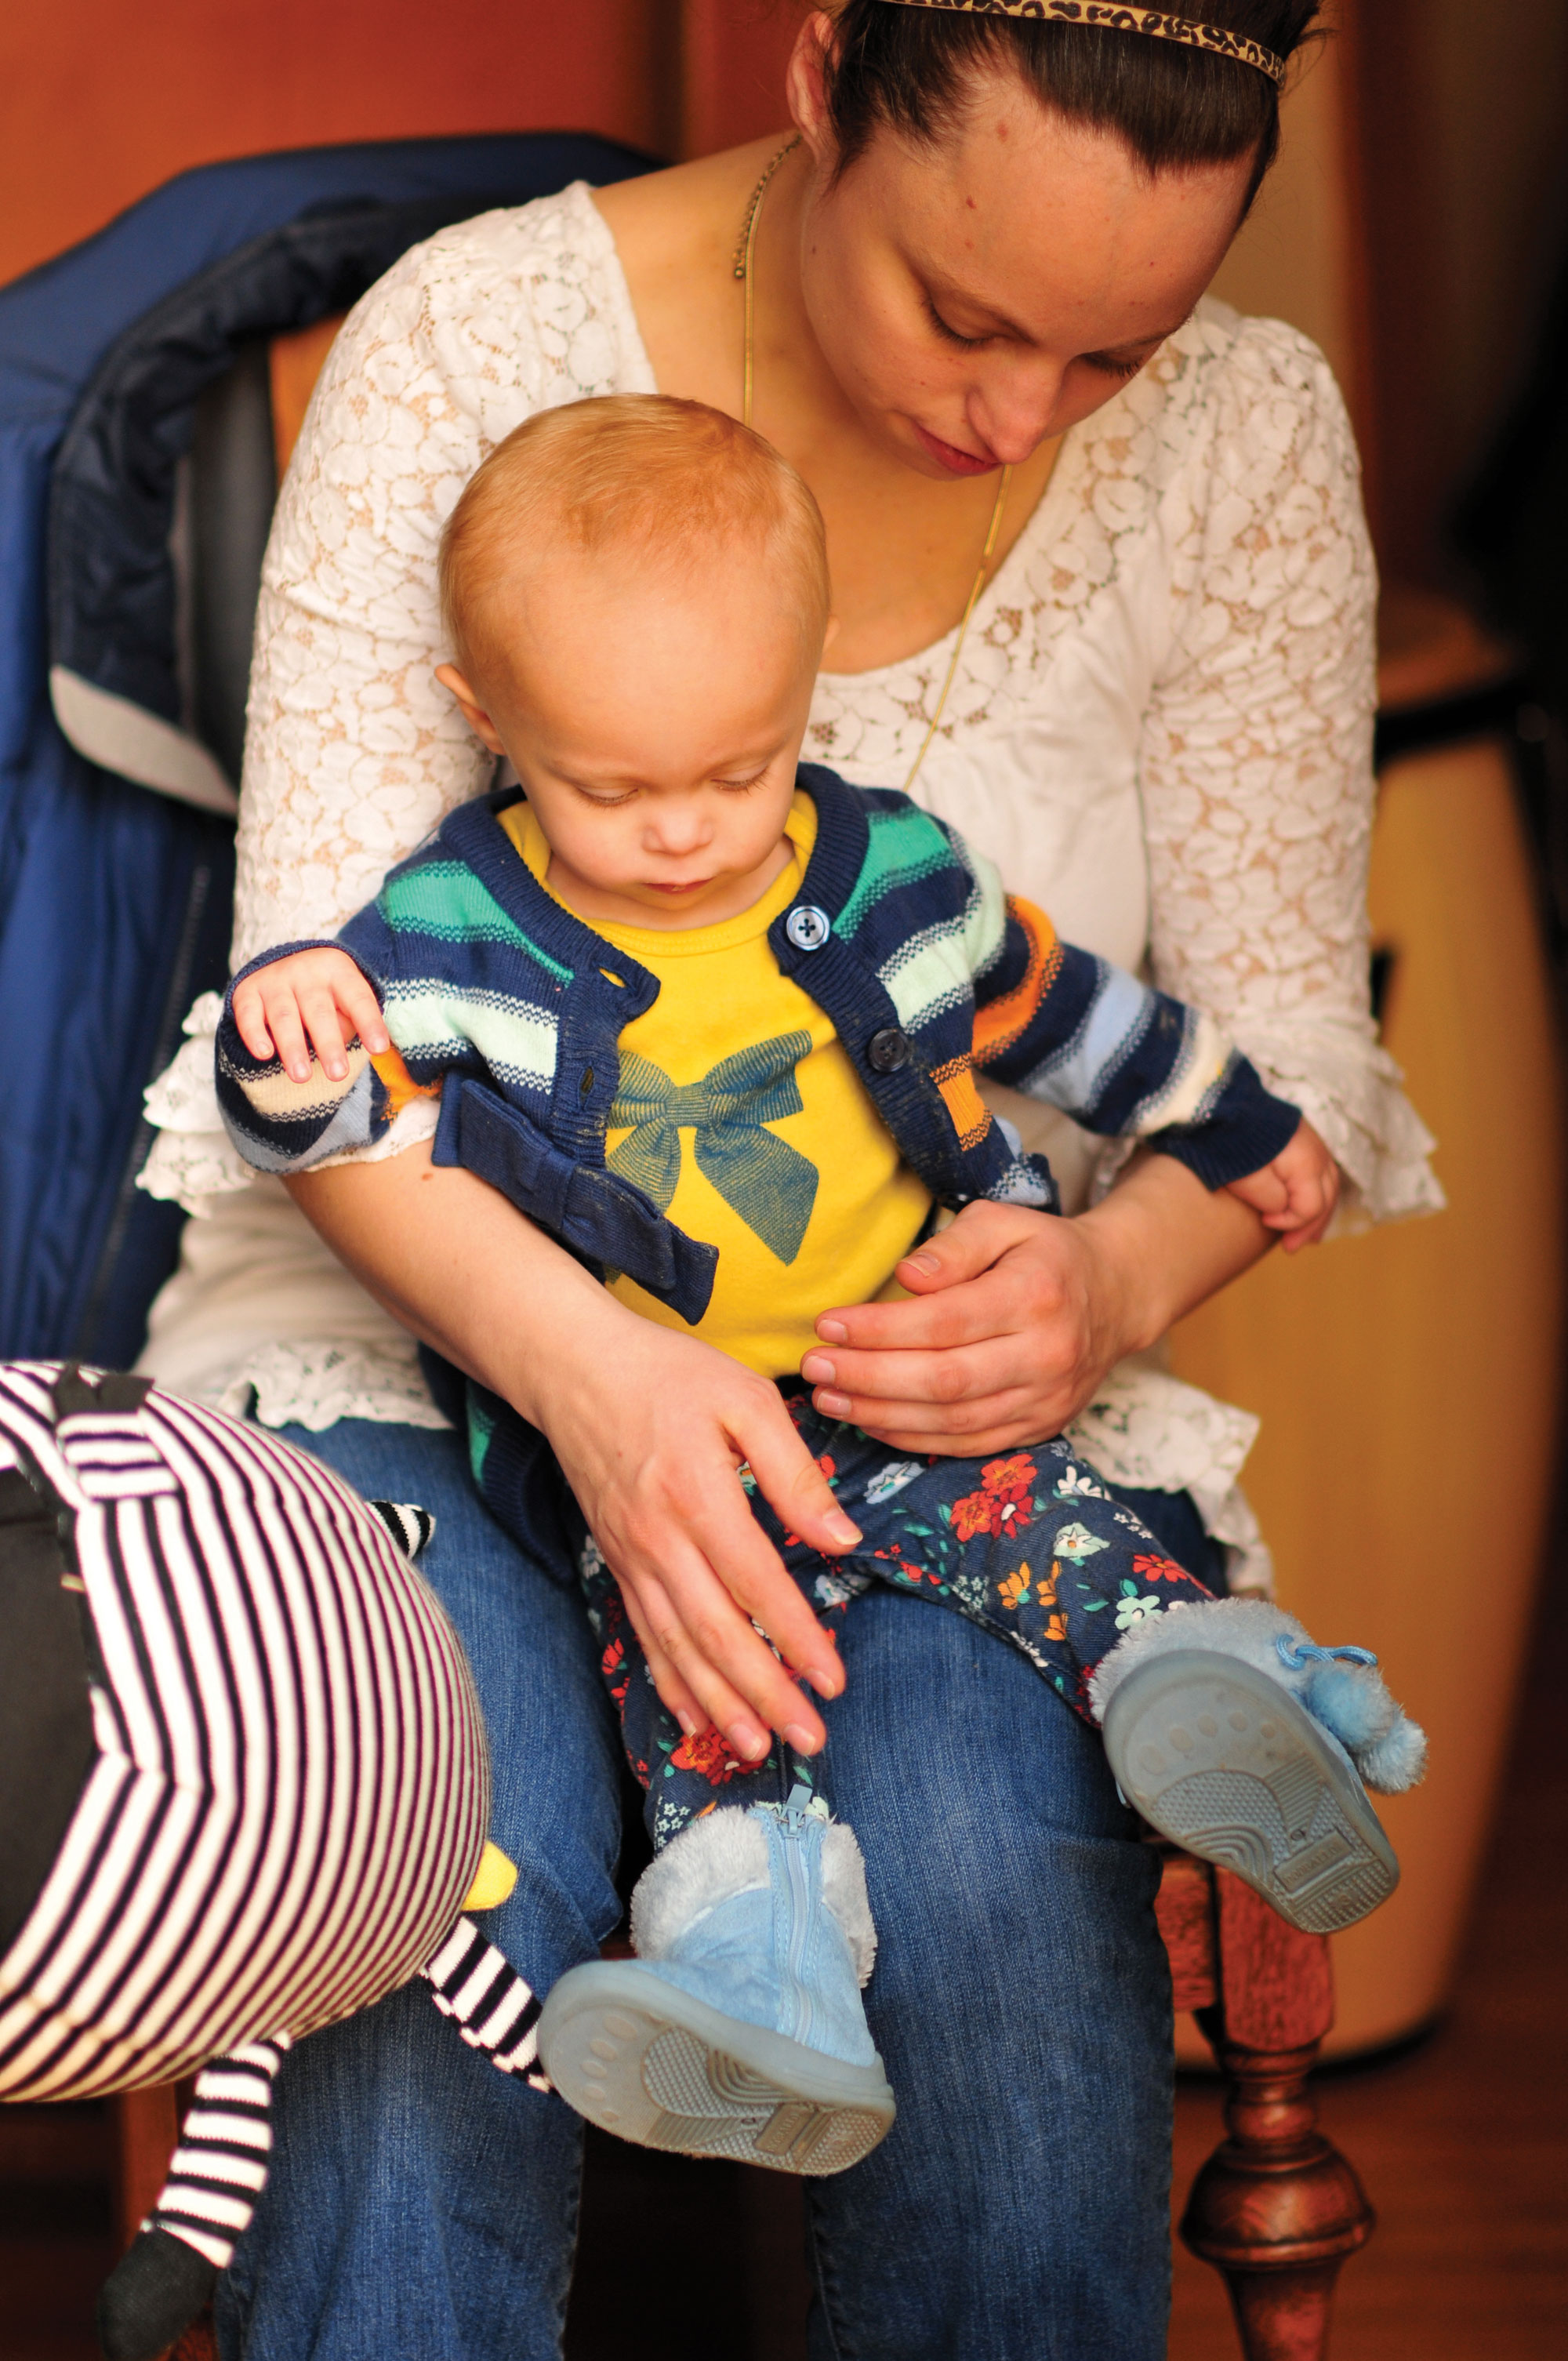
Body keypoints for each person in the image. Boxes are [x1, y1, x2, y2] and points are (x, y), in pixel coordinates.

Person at [135, 5, 1439, 2353]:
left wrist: (1113, 1278)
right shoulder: (479, 343)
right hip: (419, 1326)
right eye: (965, 310)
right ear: (829, 72)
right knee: (445, 1857)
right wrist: (603, 1378)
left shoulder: (1249, 441)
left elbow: (1286, 1056)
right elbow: (305, 1030)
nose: (1016, 413)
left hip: (904, 1383)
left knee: (981, 1902)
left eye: (1110, 350)